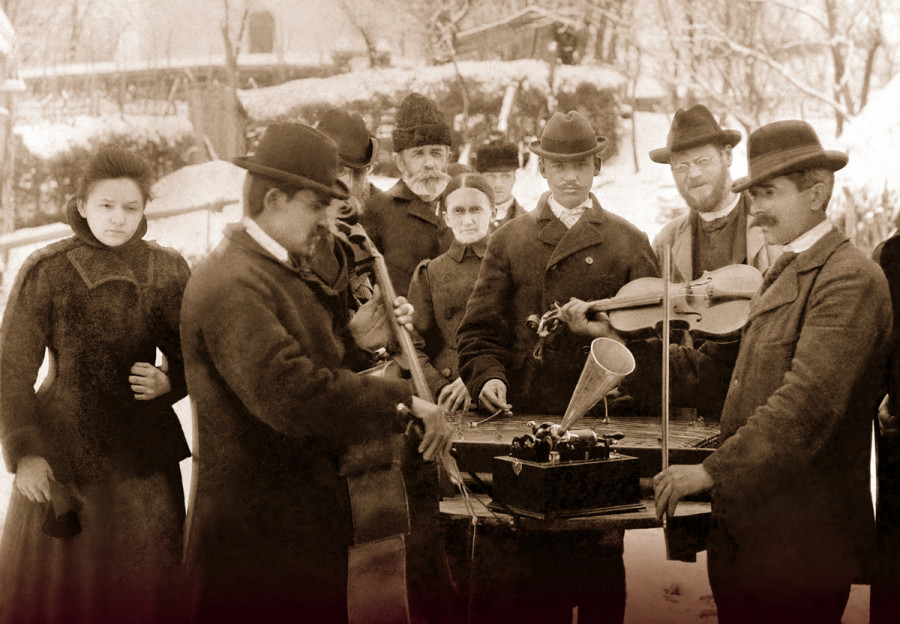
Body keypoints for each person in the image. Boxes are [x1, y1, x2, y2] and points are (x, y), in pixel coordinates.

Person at [179, 122, 451, 624]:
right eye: (316, 205)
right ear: (274, 199)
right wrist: (402, 401)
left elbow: (312, 362)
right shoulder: (232, 282)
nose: (330, 220)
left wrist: (353, 341)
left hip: (298, 536)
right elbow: (292, 393)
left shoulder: (279, 269)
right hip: (253, 552)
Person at [651, 120, 891, 624]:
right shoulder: (786, 269)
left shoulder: (848, 277)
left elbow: (806, 405)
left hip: (804, 545)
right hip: (750, 537)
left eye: (768, 193)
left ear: (817, 191)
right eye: (752, 193)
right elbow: (731, 374)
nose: (754, 210)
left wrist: (711, 471)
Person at [455, 110, 658, 624]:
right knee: (527, 583)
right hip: (527, 425)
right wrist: (489, 376)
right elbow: (479, 333)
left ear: (596, 166)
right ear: (541, 169)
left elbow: (656, 345)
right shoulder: (510, 240)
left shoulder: (628, 241)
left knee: (597, 575)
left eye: (581, 164)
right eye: (557, 165)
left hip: (604, 434)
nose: (570, 177)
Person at [0, 147, 192, 624]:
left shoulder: (167, 270)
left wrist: (172, 381)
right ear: (82, 205)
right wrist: (24, 452)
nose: (118, 219)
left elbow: (197, 351)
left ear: (145, 209)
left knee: (144, 587)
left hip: (144, 464)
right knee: (64, 596)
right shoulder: (47, 270)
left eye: (131, 208)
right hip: (65, 461)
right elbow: (11, 369)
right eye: (106, 206)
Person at [650, 104, 779, 283]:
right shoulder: (666, 242)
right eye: (681, 166)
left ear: (727, 156)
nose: (693, 174)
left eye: (703, 161)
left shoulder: (776, 229)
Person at [407, 173, 496, 414]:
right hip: (446, 397)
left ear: (493, 214)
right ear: (446, 217)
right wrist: (437, 387)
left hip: (496, 390)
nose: (467, 220)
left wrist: (480, 378)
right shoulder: (431, 272)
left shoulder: (510, 264)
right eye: (458, 211)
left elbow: (523, 340)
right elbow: (410, 343)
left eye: (476, 210)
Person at [361, 92, 454, 296]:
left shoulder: (465, 206)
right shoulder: (375, 211)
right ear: (400, 162)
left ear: (448, 158)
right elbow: (361, 288)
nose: (429, 163)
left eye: (436, 153)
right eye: (418, 154)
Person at [473, 138, 528, 231]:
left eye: (505, 176)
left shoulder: (529, 223)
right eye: (490, 176)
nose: (498, 184)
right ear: (479, 178)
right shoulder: (462, 217)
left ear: (514, 177)